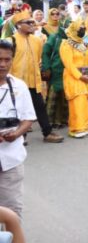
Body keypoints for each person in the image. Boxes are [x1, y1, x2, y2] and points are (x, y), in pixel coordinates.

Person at [7, 10, 63, 144]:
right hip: (16, 83)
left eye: (33, 22)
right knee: (17, 110)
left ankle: (47, 133)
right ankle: (20, 136)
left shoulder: (37, 40)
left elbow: (38, 59)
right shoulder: (11, 41)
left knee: (40, 107)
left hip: (34, 81)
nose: (33, 24)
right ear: (19, 25)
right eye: (29, 22)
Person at [0, 40, 36, 217]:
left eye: (7, 59)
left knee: (12, 212)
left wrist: (16, 133)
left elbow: (28, 118)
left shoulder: (19, 86)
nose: (3, 64)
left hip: (10, 160)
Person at [60, 20, 88, 138]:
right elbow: (68, 64)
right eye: (80, 27)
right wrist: (80, 76)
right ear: (74, 28)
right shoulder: (66, 44)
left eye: (84, 27)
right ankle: (76, 128)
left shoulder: (86, 45)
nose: (83, 29)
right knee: (77, 102)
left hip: (86, 77)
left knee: (84, 102)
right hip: (73, 77)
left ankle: (84, 127)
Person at [42, 14, 68, 129]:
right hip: (55, 72)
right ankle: (48, 123)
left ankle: (62, 121)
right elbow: (45, 53)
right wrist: (46, 68)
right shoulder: (55, 37)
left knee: (64, 98)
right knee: (53, 98)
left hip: (68, 73)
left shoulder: (73, 39)